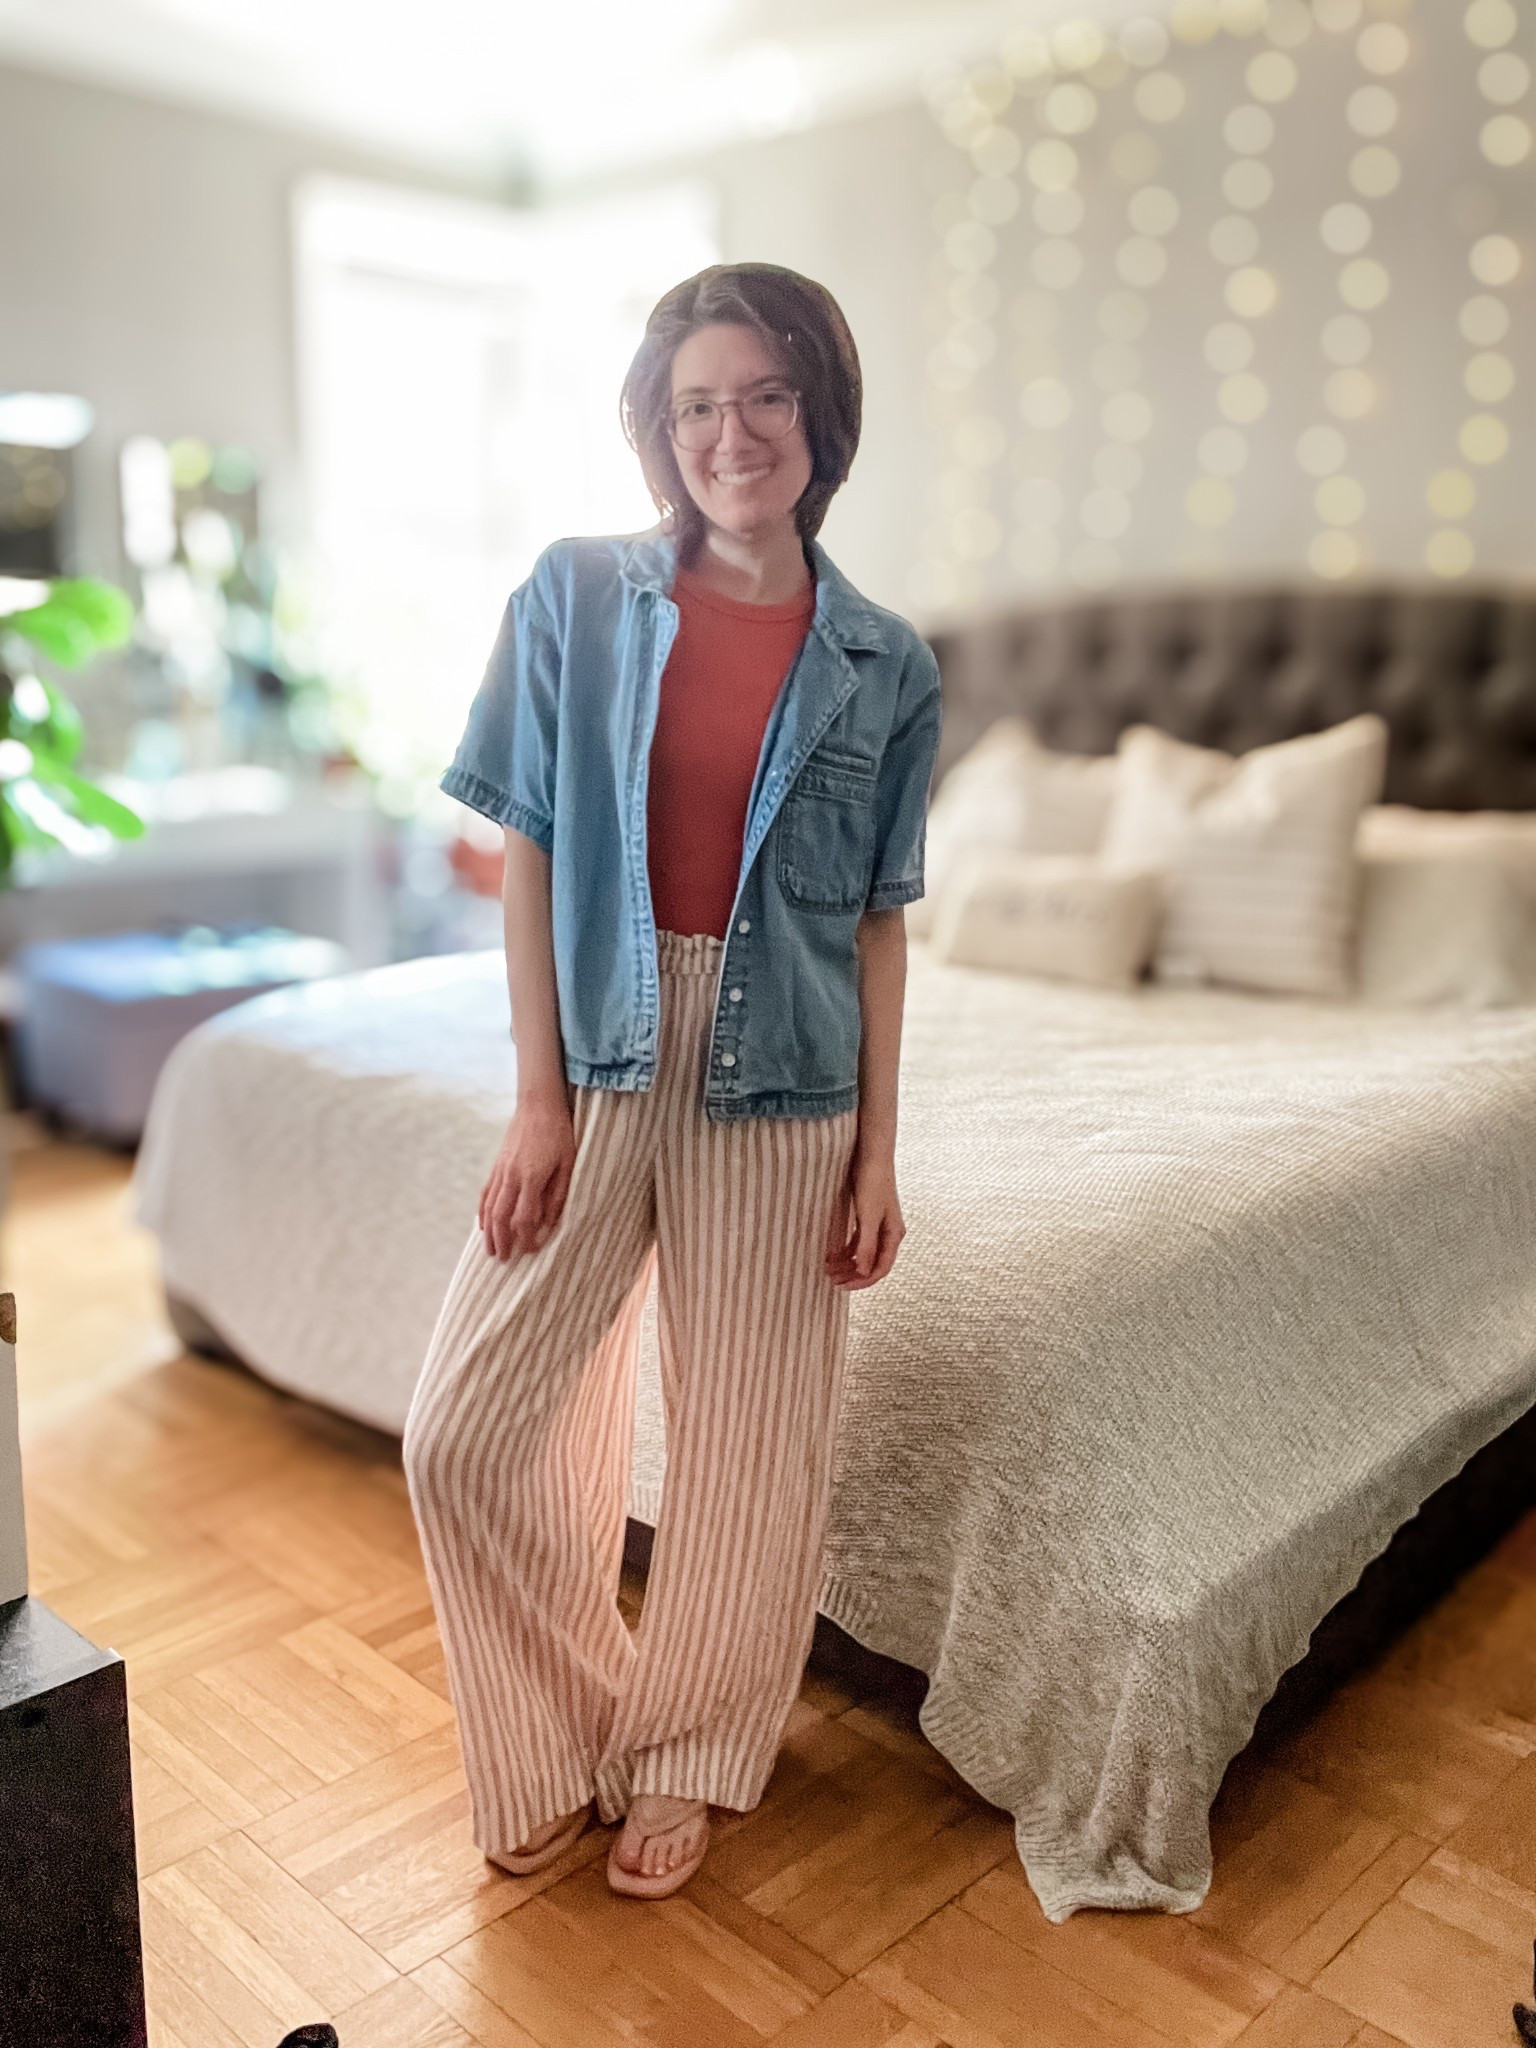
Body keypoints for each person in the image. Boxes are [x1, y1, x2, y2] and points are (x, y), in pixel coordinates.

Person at [403, 261, 942, 1902]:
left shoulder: (887, 660)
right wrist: (542, 1098)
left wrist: (879, 1153)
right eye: (698, 403)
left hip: (794, 1080)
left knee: (749, 1450)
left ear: (820, 416)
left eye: (767, 395)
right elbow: (531, 849)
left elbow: (878, 925)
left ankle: (693, 1750)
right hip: (606, 1052)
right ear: (657, 426)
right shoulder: (574, 595)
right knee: (462, 1434)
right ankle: (559, 1727)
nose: (733, 433)